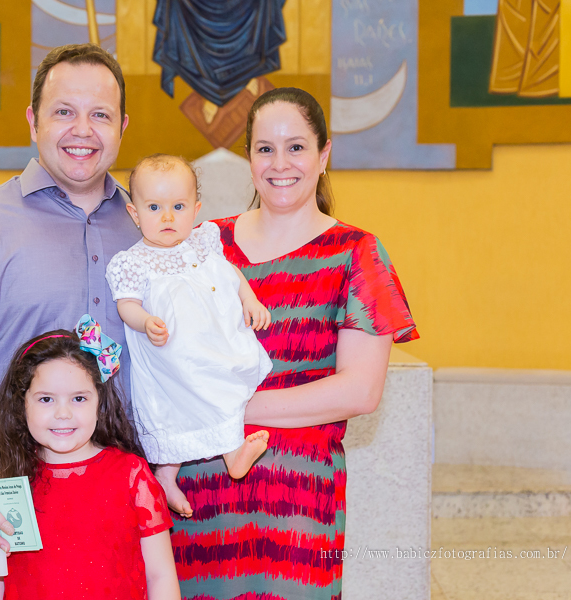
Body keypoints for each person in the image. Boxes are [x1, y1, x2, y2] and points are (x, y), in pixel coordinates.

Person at [170, 88, 419, 599]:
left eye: (296, 147)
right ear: (248, 158)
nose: (280, 164)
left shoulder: (356, 252)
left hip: (299, 504)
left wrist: (232, 407)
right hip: (199, 499)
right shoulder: (202, 244)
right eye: (265, 148)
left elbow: (360, 392)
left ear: (324, 155)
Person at [0, 43, 138, 599]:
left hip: (120, 514)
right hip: (4, 516)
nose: (82, 129)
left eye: (100, 114)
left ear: (123, 126)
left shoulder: (150, 230)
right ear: (33, 119)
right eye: (64, 111)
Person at [105, 154, 273, 518]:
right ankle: (169, 476)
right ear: (135, 214)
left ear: (195, 209)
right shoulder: (134, 262)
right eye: (155, 207)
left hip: (214, 344)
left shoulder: (202, 243)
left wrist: (250, 299)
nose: (167, 217)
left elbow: (231, 275)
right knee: (175, 412)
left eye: (178, 206)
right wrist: (144, 320)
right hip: (172, 357)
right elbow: (125, 304)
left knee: (221, 389)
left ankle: (229, 452)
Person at [0, 320, 180, 600]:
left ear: (100, 402)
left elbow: (160, 575)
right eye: (46, 399)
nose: (63, 413)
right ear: (23, 404)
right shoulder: (12, 479)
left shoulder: (132, 475)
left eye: (79, 398)